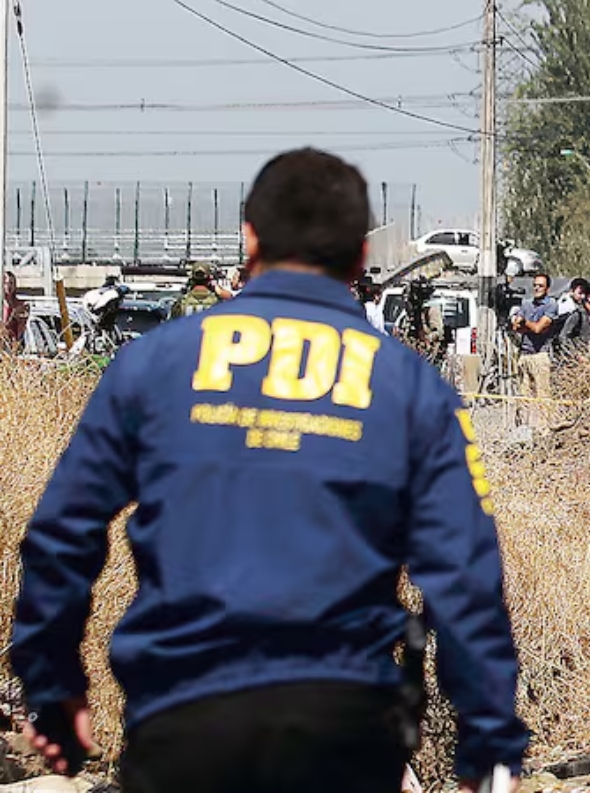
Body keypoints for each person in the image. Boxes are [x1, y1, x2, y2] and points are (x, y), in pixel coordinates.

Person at [10, 148, 527, 793]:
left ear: (249, 239)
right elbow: (465, 571)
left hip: (182, 726)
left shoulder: (155, 366)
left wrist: (52, 683)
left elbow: (63, 530)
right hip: (344, 730)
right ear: (360, 257)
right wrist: (488, 738)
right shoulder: (410, 388)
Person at [510, 273, 557, 425]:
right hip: (525, 354)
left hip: (540, 355)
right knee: (524, 396)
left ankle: (544, 428)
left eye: (540, 286)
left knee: (543, 396)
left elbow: (538, 328)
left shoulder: (551, 304)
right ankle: (524, 427)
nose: (537, 288)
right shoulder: (526, 304)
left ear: (547, 288)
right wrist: (524, 324)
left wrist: (525, 323)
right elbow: (516, 327)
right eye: (535, 285)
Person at [2, 271, 29, 349]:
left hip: (16, 345)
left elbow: (23, 327)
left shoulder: (20, 304)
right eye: (6, 283)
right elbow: (3, 328)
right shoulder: (2, 305)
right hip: (3, 344)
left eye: (11, 283)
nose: (8, 286)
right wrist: (13, 315)